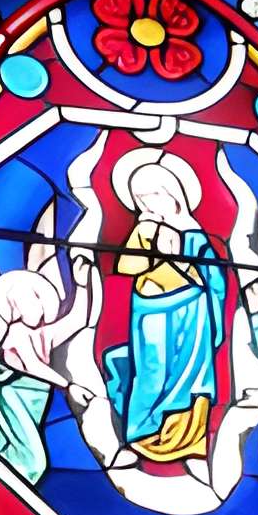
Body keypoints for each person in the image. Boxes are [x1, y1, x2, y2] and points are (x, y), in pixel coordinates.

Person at [101, 149, 228, 475]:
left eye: (155, 195)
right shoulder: (143, 229)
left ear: (175, 194)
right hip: (152, 313)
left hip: (193, 312)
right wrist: (146, 235)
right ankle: (140, 438)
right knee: (151, 373)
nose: (149, 204)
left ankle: (192, 445)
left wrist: (186, 265)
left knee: (193, 376)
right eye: (141, 198)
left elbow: (215, 280)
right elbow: (127, 266)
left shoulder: (197, 236)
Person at [0, 262, 97, 487]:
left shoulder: (40, 334)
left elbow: (77, 320)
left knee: (11, 447)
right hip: (14, 401)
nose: (42, 307)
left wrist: (82, 284)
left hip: (34, 405)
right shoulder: (14, 335)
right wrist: (67, 386)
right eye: (35, 299)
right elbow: (31, 365)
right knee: (33, 460)